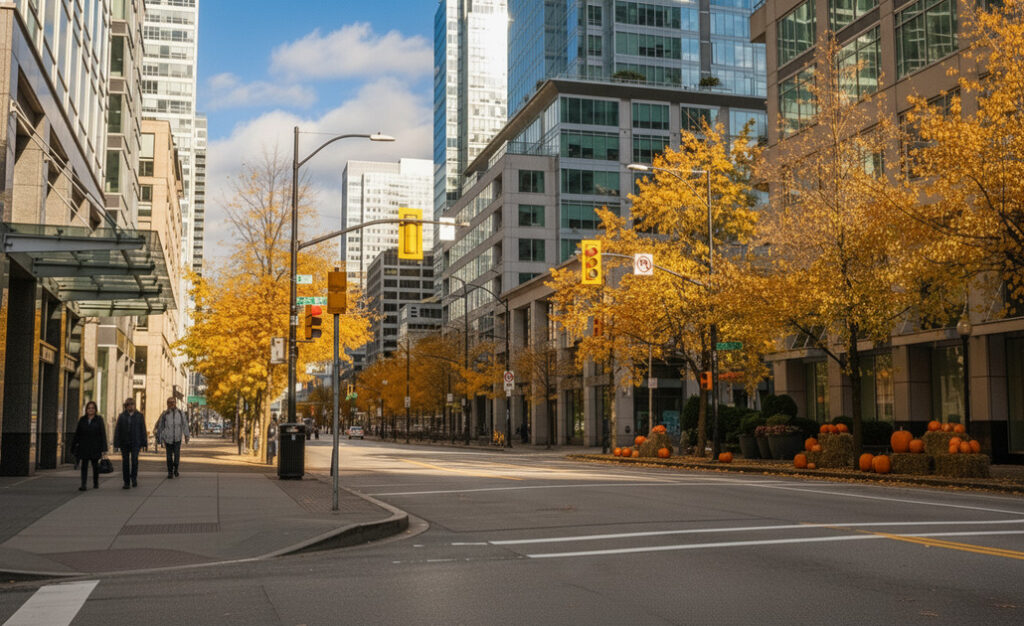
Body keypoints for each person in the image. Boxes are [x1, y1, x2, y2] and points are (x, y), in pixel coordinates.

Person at [71, 401, 108, 491]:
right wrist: (73, 446)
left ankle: (95, 482)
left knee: (95, 466)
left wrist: (104, 448)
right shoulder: (82, 420)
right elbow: (77, 434)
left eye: (92, 408)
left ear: (95, 410)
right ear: (86, 410)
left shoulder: (99, 420)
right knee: (84, 466)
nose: (90, 410)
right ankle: (83, 484)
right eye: (89, 408)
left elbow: (102, 434)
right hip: (84, 446)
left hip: (95, 446)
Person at [114, 398, 147, 489]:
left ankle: (134, 478)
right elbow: (117, 430)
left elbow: (143, 430)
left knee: (134, 461)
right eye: (128, 404)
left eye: (132, 404)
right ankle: (126, 481)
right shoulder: (122, 416)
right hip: (124, 442)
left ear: (135, 405)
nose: (130, 406)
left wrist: (144, 443)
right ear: (126, 406)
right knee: (125, 462)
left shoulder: (139, 416)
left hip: (135, 442)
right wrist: (116, 444)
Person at [155, 396, 189, 478]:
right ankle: (170, 472)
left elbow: (185, 425)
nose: (171, 404)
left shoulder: (180, 413)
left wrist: (186, 435)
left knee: (177, 456)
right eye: (169, 402)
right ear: (167, 404)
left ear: (175, 403)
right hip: (168, 439)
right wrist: (159, 436)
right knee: (169, 457)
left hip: (177, 438)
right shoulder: (164, 414)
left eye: (173, 402)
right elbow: (161, 426)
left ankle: (176, 469)